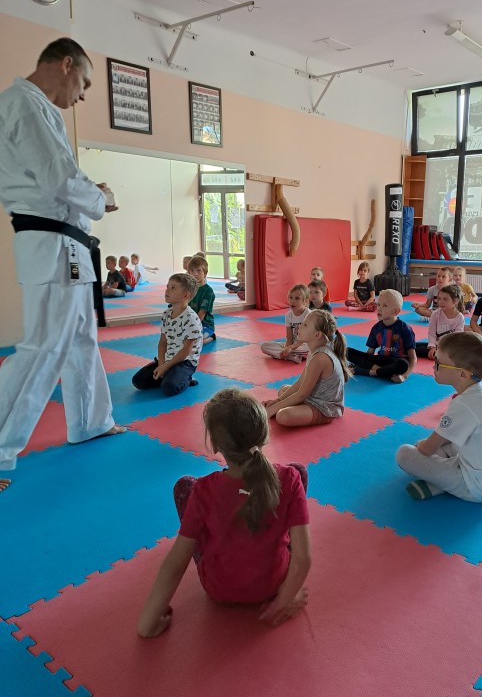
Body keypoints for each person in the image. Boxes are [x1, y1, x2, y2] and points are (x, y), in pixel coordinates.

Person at [0, 37, 125, 489]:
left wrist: (94, 194)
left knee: (80, 341)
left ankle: (90, 421)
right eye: (85, 82)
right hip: (51, 245)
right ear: (66, 64)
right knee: (44, 347)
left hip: (65, 245)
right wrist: (100, 198)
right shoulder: (23, 104)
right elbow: (59, 178)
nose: (84, 94)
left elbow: (61, 177)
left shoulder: (39, 109)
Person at [137, 389, 311, 636]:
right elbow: (303, 558)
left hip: (220, 589)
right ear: (264, 433)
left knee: (185, 486)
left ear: (216, 444)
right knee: (298, 472)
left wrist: (148, 621)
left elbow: (177, 561)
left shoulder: (203, 490)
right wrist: (283, 600)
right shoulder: (289, 478)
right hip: (274, 584)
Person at [396, 332, 482, 502]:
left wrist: (421, 446)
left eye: (438, 363)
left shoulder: (463, 404)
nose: (433, 367)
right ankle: (441, 483)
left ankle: (443, 484)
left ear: (463, 374)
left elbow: (427, 449)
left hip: (480, 487)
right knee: (448, 444)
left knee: (405, 454)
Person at [264, 310, 351, 427]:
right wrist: (277, 402)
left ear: (317, 335)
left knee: (283, 416)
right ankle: (288, 405)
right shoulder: (314, 350)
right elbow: (301, 381)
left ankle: (294, 409)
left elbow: (302, 394)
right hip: (312, 396)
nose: (300, 326)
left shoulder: (320, 358)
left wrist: (271, 410)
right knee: (283, 389)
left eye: (305, 325)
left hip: (324, 407)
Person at [132, 273, 202, 395]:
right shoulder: (166, 314)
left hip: (185, 362)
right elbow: (163, 342)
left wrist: (165, 367)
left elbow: (186, 350)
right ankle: (168, 375)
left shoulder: (191, 319)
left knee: (169, 388)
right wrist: (161, 364)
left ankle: (186, 378)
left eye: (173, 288)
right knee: (138, 381)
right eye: (167, 287)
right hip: (167, 359)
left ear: (186, 295)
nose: (167, 290)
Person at [347, 289, 417, 382]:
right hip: (380, 361)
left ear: (396, 311)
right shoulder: (376, 328)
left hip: (396, 362)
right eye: (379, 305)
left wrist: (405, 376)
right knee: (346, 351)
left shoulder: (405, 329)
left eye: (385, 306)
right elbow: (370, 353)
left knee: (403, 364)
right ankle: (383, 372)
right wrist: (362, 360)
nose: (379, 308)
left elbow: (413, 358)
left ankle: (368, 372)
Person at [261, 284, 311, 363]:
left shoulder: (309, 314)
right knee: (264, 346)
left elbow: (307, 339)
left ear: (305, 301)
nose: (292, 301)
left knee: (308, 348)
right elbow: (289, 337)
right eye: (290, 297)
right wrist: (286, 348)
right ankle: (292, 356)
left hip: (304, 344)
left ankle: (287, 355)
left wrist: (291, 348)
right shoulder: (288, 315)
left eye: (297, 298)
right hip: (293, 346)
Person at [414, 284, 465, 359]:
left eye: (445, 299)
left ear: (456, 301)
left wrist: (445, 349)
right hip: (436, 345)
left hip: (450, 348)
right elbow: (431, 333)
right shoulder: (435, 314)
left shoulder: (460, 317)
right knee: (412, 346)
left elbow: (457, 338)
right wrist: (432, 347)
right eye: (439, 299)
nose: (441, 302)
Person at [187, 255, 216, 343]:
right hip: (188, 322)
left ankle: (211, 337)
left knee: (193, 342)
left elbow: (202, 312)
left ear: (205, 273)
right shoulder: (188, 289)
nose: (195, 274)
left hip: (205, 324)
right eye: (192, 271)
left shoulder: (208, 291)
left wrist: (192, 327)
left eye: (198, 270)